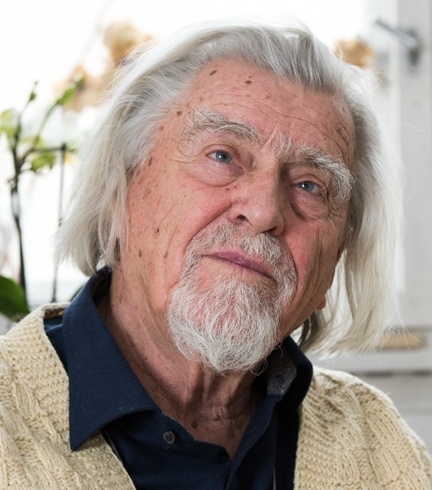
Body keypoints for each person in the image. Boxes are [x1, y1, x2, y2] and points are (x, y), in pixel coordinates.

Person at [0, 19, 431, 489]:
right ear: (119, 189)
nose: (264, 212)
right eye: (223, 155)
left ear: (335, 259)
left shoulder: (382, 448)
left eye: (309, 185)